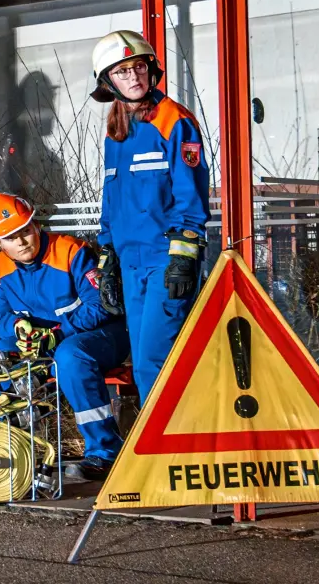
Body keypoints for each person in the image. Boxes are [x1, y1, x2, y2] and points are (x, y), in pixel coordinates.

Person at [90, 30, 211, 402]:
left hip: (165, 262)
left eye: (139, 67)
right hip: (130, 264)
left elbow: (191, 198)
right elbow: (111, 202)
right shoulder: (115, 134)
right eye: (123, 71)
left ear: (151, 70)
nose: (133, 77)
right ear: (108, 81)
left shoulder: (176, 121)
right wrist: (107, 257)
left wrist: (183, 258)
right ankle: (162, 446)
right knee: (142, 361)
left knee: (154, 361)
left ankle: (163, 451)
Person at [0, 193, 128, 481]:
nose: (22, 241)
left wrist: (57, 333)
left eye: (25, 230)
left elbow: (101, 306)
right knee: (0, 356)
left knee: (69, 358)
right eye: (11, 237)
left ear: (36, 225)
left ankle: (104, 452)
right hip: (42, 341)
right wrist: (16, 327)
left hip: (96, 335)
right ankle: (8, 452)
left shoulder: (71, 251)